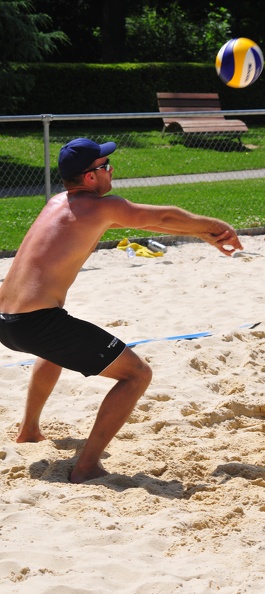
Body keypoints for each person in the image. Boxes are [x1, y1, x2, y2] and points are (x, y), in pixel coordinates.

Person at [0, 137, 243, 483]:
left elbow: (149, 223)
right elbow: (165, 215)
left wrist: (201, 235)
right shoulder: (101, 206)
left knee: (52, 349)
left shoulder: (59, 203)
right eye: (106, 166)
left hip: (6, 322)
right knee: (137, 374)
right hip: (36, 323)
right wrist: (216, 226)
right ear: (89, 178)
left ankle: (28, 430)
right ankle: (86, 467)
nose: (112, 170)